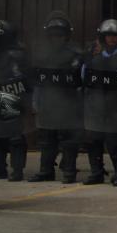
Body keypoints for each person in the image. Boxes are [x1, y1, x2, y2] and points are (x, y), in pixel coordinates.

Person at [29, 11, 84, 183]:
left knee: (69, 140)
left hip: (69, 102)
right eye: (53, 35)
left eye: (60, 35)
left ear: (67, 35)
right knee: (46, 139)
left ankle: (69, 171)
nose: (56, 39)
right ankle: (46, 171)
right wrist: (35, 102)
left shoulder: (76, 54)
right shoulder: (41, 53)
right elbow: (38, 80)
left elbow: (81, 80)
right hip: (48, 100)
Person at [81, 19, 117, 186]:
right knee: (93, 139)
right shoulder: (93, 55)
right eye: (108, 36)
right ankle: (96, 173)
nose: (111, 39)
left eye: (115, 36)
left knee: (115, 141)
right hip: (96, 103)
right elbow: (84, 75)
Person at [0, 20, 28, 181]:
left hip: (12, 95)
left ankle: (17, 170)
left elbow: (26, 79)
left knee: (14, 136)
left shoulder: (17, 55)